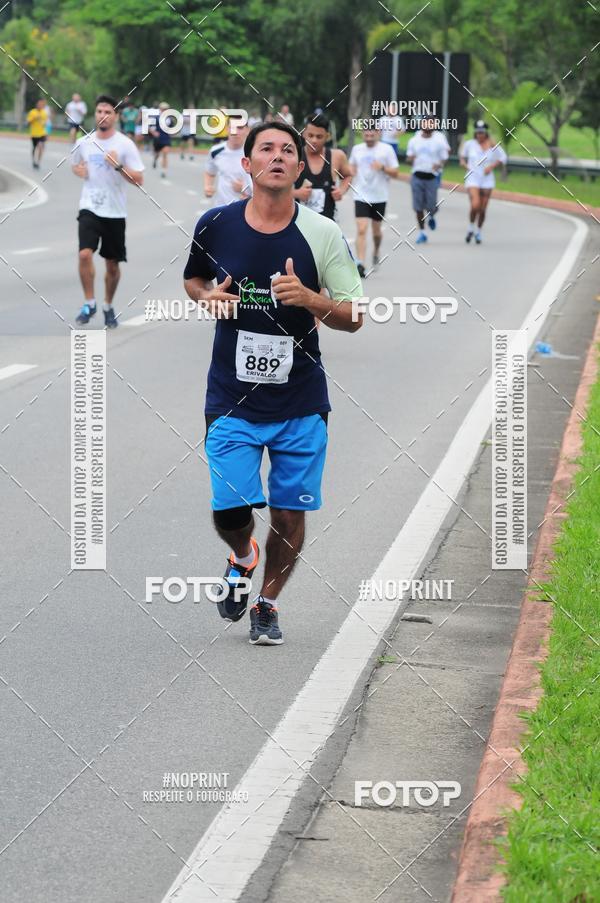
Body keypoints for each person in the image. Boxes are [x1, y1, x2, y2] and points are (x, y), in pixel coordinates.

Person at [183, 122, 363, 645]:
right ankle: (243, 556)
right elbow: (193, 280)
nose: (279, 156)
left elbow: (354, 315)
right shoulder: (215, 224)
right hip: (231, 398)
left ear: (301, 167)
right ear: (247, 164)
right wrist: (206, 298)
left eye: (289, 150)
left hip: (302, 399)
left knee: (289, 510)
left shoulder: (323, 233)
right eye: (267, 149)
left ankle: (267, 602)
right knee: (231, 510)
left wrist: (310, 298)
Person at [72, 94, 144, 328]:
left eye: (108, 112)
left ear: (116, 116)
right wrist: (79, 171)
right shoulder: (84, 142)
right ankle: (89, 302)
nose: (103, 116)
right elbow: (76, 165)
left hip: (115, 212)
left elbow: (139, 179)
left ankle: (107, 305)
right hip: (90, 206)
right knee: (84, 254)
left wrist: (118, 167)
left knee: (112, 265)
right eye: (100, 111)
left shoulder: (124, 144)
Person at [349, 127, 399, 276]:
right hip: (361, 195)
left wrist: (382, 167)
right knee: (362, 229)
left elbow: (395, 172)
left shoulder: (387, 149)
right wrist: (350, 173)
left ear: (378, 133)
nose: (369, 136)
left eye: (372, 133)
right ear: (362, 134)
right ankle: (360, 263)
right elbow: (352, 167)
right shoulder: (357, 149)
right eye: (366, 133)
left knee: (376, 232)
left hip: (379, 196)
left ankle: (376, 250)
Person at [293, 114, 352, 220]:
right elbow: (275, 187)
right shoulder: (293, 155)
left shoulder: (337, 156)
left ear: (327, 136)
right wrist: (296, 193)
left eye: (319, 136)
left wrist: (341, 190)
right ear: (303, 134)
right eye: (310, 135)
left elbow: (347, 175)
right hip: (298, 222)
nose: (314, 140)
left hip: (328, 222)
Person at [460, 120, 507, 244]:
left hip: (487, 179)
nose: (480, 135)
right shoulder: (470, 144)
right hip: (473, 178)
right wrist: (465, 166)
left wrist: (491, 166)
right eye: (478, 132)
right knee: (475, 205)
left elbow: (503, 158)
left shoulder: (492, 145)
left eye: (482, 132)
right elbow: (462, 158)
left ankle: (478, 231)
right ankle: (471, 227)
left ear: (485, 133)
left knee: (482, 209)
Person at [405, 118, 449, 244]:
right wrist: (410, 159)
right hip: (417, 176)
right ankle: (422, 232)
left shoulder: (439, 140)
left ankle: (432, 215)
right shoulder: (414, 140)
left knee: (431, 205)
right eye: (426, 122)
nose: (429, 125)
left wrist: (439, 164)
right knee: (418, 207)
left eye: (432, 123)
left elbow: (444, 158)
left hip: (432, 177)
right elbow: (408, 158)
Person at [204, 122, 252, 207]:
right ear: (227, 129)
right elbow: (210, 173)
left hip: (246, 209)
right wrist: (208, 186)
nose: (235, 132)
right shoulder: (215, 151)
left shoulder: (253, 152)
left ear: (247, 130)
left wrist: (244, 188)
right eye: (232, 128)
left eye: (240, 128)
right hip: (222, 207)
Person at [151, 101, 173, 178]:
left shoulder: (170, 119)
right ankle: (155, 159)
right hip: (158, 138)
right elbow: (151, 128)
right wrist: (154, 133)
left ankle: (164, 171)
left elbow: (172, 129)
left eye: (166, 109)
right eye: (163, 109)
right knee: (157, 153)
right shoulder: (156, 118)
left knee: (165, 153)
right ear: (160, 109)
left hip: (166, 138)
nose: (164, 110)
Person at [27, 99, 48, 170]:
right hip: (34, 133)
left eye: (42, 105)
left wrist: (43, 123)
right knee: (34, 148)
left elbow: (45, 123)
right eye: (39, 104)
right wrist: (34, 118)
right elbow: (28, 123)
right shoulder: (32, 112)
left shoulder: (44, 113)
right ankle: (34, 161)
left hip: (42, 133)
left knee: (41, 147)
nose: (40, 106)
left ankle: (38, 162)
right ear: (37, 105)